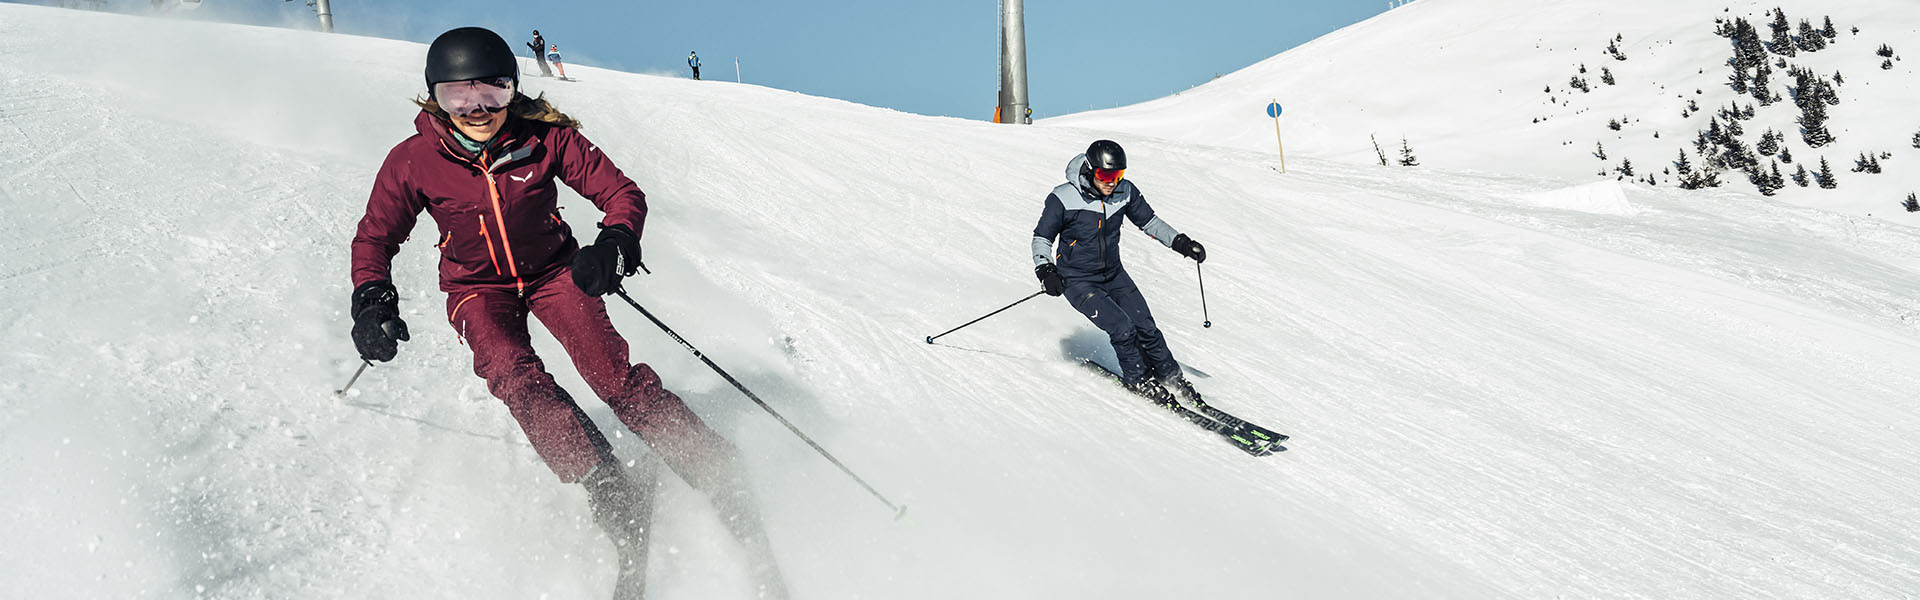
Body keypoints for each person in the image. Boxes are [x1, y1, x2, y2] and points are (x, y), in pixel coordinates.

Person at [348, 27, 785, 599]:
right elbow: (374, 237)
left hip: (556, 271)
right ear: (435, 96)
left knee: (614, 377)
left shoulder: (546, 139)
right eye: (460, 96)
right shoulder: (413, 161)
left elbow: (622, 193)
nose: (478, 109)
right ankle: (610, 488)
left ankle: (715, 470)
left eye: (494, 94)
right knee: (513, 375)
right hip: (477, 286)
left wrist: (615, 244)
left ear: (514, 90)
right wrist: (371, 296)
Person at [1030, 140, 1208, 404]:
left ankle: (1172, 378)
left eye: (1118, 175)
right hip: (1078, 280)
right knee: (1123, 328)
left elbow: (1150, 222)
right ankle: (1139, 380)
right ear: (1090, 171)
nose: (1112, 182)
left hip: (1113, 275)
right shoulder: (1063, 198)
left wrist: (1181, 243)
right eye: (1105, 176)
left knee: (1146, 326)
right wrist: (1045, 270)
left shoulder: (1125, 192)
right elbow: (1041, 238)